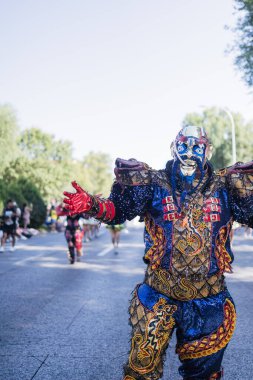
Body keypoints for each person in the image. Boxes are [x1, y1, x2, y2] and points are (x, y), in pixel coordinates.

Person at [61, 125, 253, 380]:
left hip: (210, 301)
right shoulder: (153, 183)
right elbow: (119, 210)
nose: (189, 152)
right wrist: (93, 205)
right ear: (174, 147)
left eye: (197, 147)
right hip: (158, 296)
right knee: (141, 370)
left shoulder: (226, 187)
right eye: (183, 145)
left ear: (208, 150)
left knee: (204, 375)